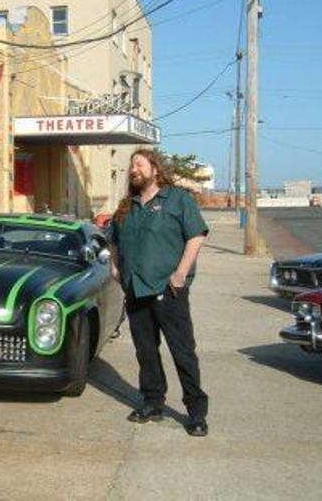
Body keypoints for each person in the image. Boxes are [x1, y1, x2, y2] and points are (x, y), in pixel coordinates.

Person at [109, 149, 209, 437]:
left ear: (155, 169)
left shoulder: (177, 199)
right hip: (136, 289)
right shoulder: (126, 207)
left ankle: (196, 413)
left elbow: (196, 236)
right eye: (132, 166)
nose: (134, 169)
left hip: (169, 291)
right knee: (146, 351)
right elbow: (113, 239)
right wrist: (114, 267)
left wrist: (180, 274)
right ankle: (153, 402)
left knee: (182, 351)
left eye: (139, 164)